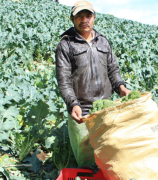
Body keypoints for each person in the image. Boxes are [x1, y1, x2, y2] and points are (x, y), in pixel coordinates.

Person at [55, 0, 130, 167]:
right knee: (87, 160)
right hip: (82, 111)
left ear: (94, 17)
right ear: (72, 19)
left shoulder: (103, 42)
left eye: (88, 16)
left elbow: (113, 71)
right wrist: (73, 104)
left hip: (106, 108)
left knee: (109, 156)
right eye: (79, 16)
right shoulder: (66, 45)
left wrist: (122, 88)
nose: (84, 20)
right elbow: (64, 80)